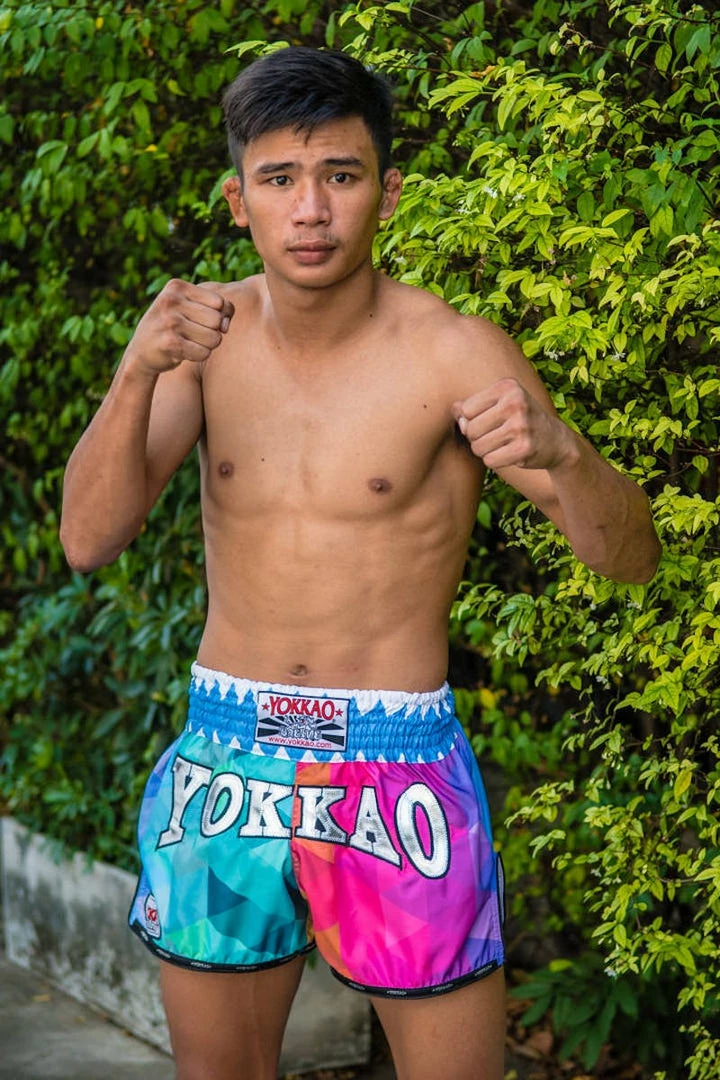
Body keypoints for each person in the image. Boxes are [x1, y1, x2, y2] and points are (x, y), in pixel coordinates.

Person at [60, 46, 661, 1080]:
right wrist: (134, 371)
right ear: (238, 200)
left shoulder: (452, 352)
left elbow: (632, 560)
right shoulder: (201, 344)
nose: (311, 210)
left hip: (396, 767)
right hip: (228, 755)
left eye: (340, 175)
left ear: (387, 192)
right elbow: (87, 539)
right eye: (279, 178)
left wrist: (565, 452)